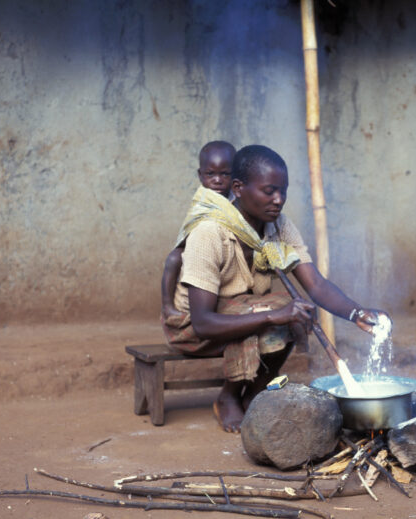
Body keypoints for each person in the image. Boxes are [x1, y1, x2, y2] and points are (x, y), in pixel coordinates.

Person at [162, 144, 387, 433]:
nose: (278, 200)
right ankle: (229, 396)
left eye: (283, 191)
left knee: (298, 310)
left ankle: (255, 391)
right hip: (193, 327)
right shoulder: (209, 232)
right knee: (273, 310)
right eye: (269, 191)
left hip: (242, 311)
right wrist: (273, 316)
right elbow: (203, 322)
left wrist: (356, 312)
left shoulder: (278, 226)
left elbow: (315, 284)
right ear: (239, 188)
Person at [160, 141, 236, 323]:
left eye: (225, 174)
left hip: (225, 249)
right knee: (173, 259)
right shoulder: (202, 199)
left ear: (235, 175)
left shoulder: (238, 198)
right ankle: (167, 306)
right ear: (200, 175)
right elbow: (193, 226)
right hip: (197, 250)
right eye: (211, 174)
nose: (217, 180)